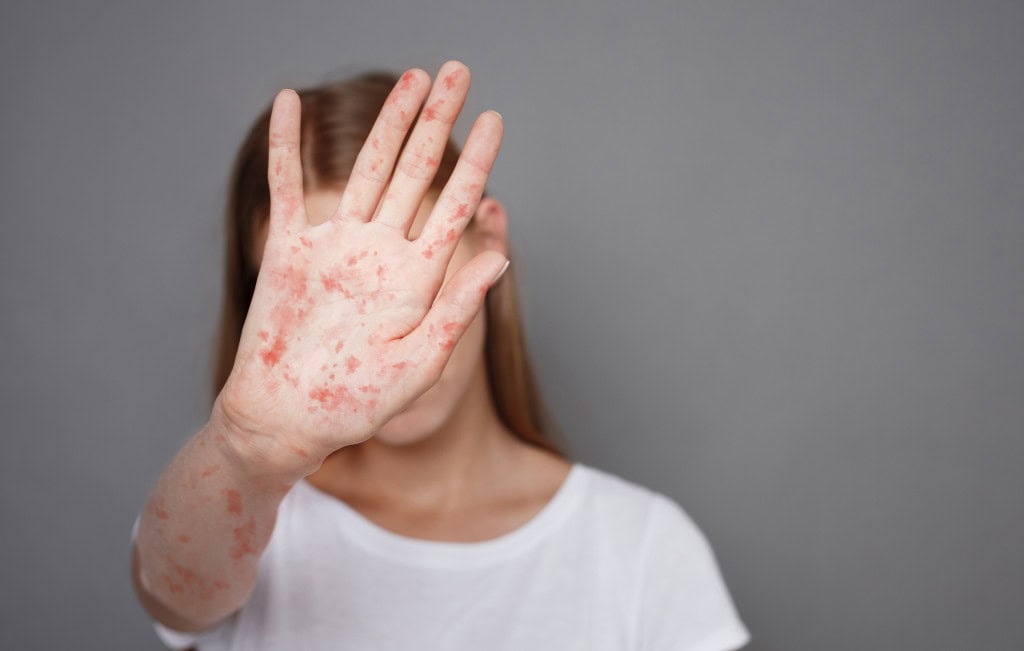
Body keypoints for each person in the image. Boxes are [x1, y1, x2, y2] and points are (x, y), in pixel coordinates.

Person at [130, 60, 751, 650]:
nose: (373, 335)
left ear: (489, 234)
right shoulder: (236, 515)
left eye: (408, 257)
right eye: (312, 293)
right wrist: (243, 445)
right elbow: (174, 593)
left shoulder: (641, 548)